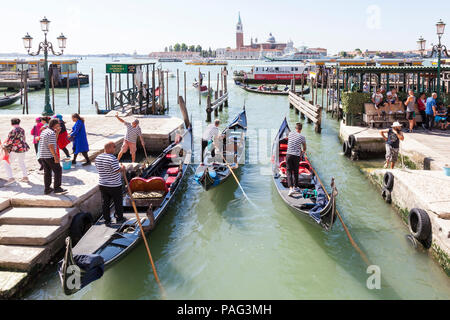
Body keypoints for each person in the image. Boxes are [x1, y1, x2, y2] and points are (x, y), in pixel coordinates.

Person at [95, 141, 126, 226]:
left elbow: (99, 168)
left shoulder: (98, 158)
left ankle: (107, 219)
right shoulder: (112, 158)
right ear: (109, 148)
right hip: (114, 185)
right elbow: (117, 170)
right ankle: (119, 218)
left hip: (102, 184)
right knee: (118, 202)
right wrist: (122, 168)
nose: (115, 148)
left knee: (105, 202)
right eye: (114, 147)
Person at [39, 119, 66, 195]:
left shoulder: (45, 131)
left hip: (43, 155)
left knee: (47, 172)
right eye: (58, 125)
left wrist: (57, 132)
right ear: (54, 125)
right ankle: (57, 188)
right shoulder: (51, 133)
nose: (59, 126)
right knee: (58, 170)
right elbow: (51, 146)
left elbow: (54, 141)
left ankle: (47, 189)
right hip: (50, 155)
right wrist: (55, 156)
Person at [2, 118, 30, 185]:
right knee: (21, 162)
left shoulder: (13, 130)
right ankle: (25, 176)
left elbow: (10, 141)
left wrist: (4, 146)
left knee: (6, 162)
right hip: (22, 148)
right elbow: (24, 138)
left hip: (15, 149)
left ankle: (11, 178)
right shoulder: (22, 129)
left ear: (11, 123)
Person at [286, 122, 307, 197]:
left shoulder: (290, 133)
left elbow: (289, 141)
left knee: (288, 171)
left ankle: (291, 188)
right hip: (296, 156)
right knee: (295, 171)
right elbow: (304, 147)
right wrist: (302, 151)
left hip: (289, 155)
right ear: (301, 129)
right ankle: (296, 187)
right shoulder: (302, 137)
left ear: (295, 128)